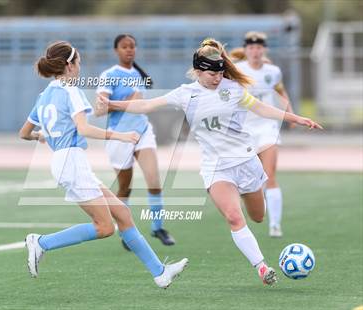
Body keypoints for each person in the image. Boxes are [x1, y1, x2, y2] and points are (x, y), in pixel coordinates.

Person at [96, 38, 322, 286]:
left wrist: (296, 118)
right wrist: (113, 104)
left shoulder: (233, 89)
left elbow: (262, 108)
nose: (217, 77)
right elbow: (147, 104)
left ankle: (252, 205)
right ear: (198, 71)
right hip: (216, 167)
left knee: (258, 216)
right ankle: (261, 267)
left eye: (220, 72)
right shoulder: (186, 94)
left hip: (246, 161)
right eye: (212, 73)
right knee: (235, 218)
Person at [19, 41, 188, 288]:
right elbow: (84, 128)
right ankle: (41, 242)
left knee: (123, 213)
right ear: (69, 64)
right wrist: (120, 136)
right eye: (78, 62)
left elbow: (24, 133)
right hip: (72, 163)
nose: (80, 67)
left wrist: (41, 136)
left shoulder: (44, 95)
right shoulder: (71, 90)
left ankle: (160, 273)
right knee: (105, 227)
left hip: (67, 161)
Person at [96, 34, 175, 250]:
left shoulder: (140, 75)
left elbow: (142, 105)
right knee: (125, 187)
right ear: (116, 50)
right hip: (119, 136)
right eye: (124, 46)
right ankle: (126, 232)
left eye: (132, 46)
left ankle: (158, 227)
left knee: (154, 180)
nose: (129, 50)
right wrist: (127, 102)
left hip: (143, 132)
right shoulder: (109, 75)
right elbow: (100, 109)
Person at [230, 31, 295, 237]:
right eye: (251, 48)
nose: (255, 51)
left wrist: (290, 112)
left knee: (270, 176)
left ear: (264, 49)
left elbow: (280, 90)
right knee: (249, 181)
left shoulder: (273, 71)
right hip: (244, 130)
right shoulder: (238, 70)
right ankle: (246, 217)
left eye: (259, 48)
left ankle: (275, 225)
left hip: (267, 128)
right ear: (246, 50)